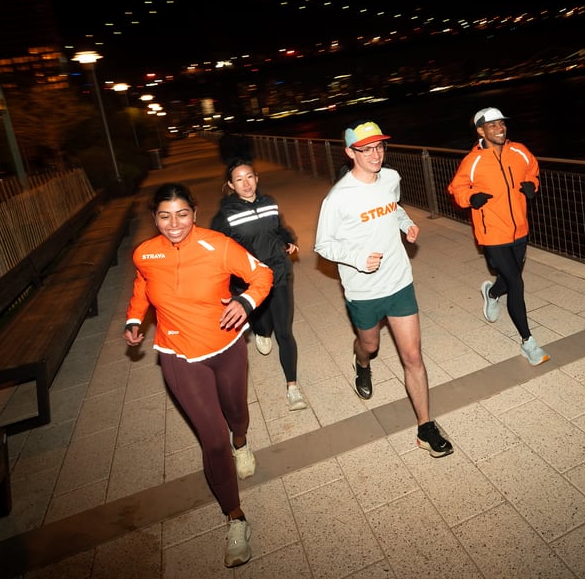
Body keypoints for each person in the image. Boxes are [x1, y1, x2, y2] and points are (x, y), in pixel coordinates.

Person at [123, 182, 274, 568]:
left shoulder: (218, 245)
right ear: (154, 217)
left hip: (227, 346)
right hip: (179, 355)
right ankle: (235, 517)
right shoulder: (145, 253)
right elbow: (142, 286)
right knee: (213, 441)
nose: (174, 224)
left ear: (194, 212)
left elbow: (262, 274)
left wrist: (245, 301)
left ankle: (242, 440)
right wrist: (134, 318)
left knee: (236, 413)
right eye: (164, 216)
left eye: (182, 214)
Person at [314, 120, 454, 458]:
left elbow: (395, 207)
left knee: (413, 356)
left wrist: (406, 224)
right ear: (350, 153)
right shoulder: (338, 198)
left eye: (379, 147)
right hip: (363, 291)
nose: (376, 155)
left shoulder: (391, 178)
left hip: (398, 281)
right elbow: (322, 245)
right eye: (366, 150)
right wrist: (358, 259)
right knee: (370, 345)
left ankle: (425, 427)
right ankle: (361, 362)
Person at [447, 107, 549, 366]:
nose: (500, 128)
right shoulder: (473, 161)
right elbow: (456, 188)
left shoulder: (520, 151)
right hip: (491, 231)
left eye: (501, 123)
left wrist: (532, 184)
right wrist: (471, 197)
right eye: (492, 125)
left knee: (508, 279)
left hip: (520, 229)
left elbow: (533, 170)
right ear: (481, 131)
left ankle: (491, 293)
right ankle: (528, 342)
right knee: (516, 283)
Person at [211, 158, 308, 411]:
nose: (246, 184)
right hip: (250, 281)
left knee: (284, 331)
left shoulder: (268, 202)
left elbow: (280, 228)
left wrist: (289, 240)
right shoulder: (225, 216)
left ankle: (293, 388)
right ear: (231, 185)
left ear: (256, 178)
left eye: (249, 177)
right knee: (263, 323)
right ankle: (261, 331)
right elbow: (219, 251)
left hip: (279, 273)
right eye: (239, 179)